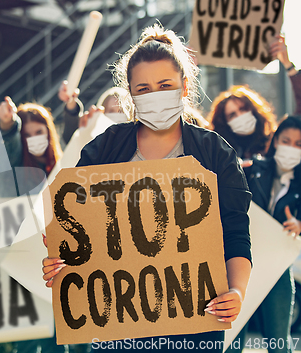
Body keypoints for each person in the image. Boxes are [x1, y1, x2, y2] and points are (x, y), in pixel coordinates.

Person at [42, 24, 252, 352]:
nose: (154, 95)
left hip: (196, 321)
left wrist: (236, 291)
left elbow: (236, 231)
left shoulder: (215, 152)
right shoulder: (105, 149)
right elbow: (77, 227)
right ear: (131, 94)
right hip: (116, 323)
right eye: (144, 88)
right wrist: (61, 258)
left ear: (184, 87)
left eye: (165, 85)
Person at [228, 116, 301, 353]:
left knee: (279, 342)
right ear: (276, 141)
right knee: (233, 339)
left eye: (299, 144)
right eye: (286, 140)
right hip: (240, 262)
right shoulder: (251, 169)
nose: (291, 148)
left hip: (278, 269)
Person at [208, 35, 301, 162]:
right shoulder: (219, 155)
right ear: (224, 123)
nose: (240, 116)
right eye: (232, 115)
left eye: (243, 109)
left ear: (254, 110)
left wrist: (288, 65)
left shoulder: (275, 143)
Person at [0, 97, 63, 194]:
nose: (34, 139)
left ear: (49, 131)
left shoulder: (60, 162)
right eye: (27, 135)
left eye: (39, 132)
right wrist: (8, 123)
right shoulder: (16, 165)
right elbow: (11, 140)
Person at [58, 82, 130, 144]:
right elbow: (72, 136)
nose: (117, 115)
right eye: (111, 111)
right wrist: (71, 100)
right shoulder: (93, 141)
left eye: (121, 111)